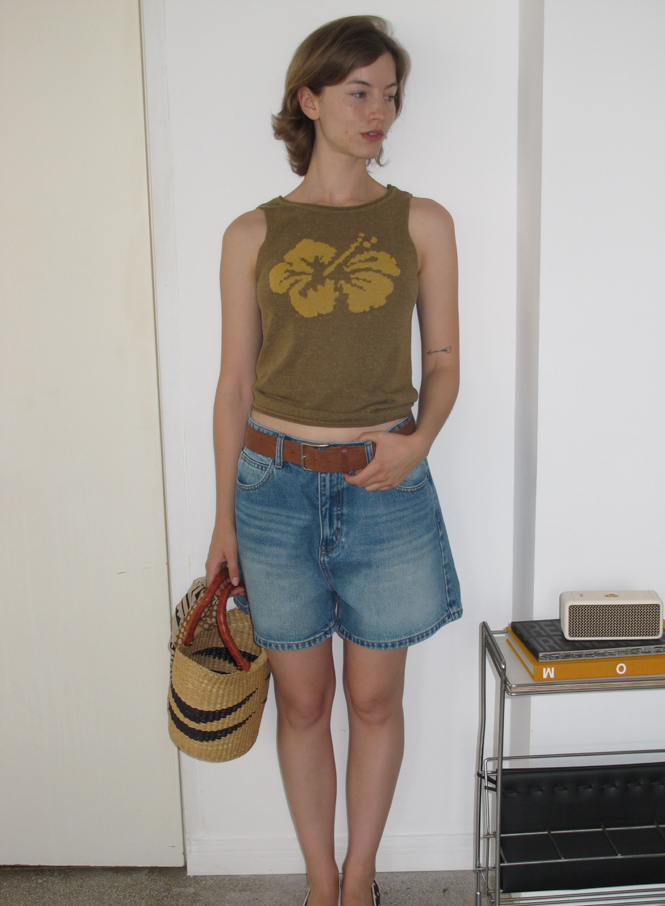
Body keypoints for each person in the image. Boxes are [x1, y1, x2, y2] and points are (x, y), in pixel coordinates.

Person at [206, 16, 461, 906]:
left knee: (375, 703)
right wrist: (223, 520)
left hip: (385, 490)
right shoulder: (252, 233)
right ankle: (322, 885)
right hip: (272, 491)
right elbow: (234, 386)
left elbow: (443, 361)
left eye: (390, 93)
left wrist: (418, 442)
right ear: (309, 100)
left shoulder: (421, 221)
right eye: (359, 92)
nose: (379, 109)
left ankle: (360, 882)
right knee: (303, 703)